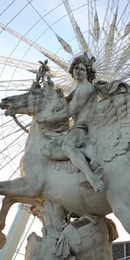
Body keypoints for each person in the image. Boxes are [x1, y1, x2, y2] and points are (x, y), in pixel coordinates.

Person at [36, 53, 105, 193]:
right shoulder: (77, 88)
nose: (78, 71)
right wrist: (48, 86)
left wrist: (46, 119)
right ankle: (83, 154)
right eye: (76, 68)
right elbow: (63, 103)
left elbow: (69, 112)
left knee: (67, 147)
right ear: (72, 70)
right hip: (77, 126)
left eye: (82, 69)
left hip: (84, 126)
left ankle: (92, 178)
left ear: (87, 72)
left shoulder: (86, 88)